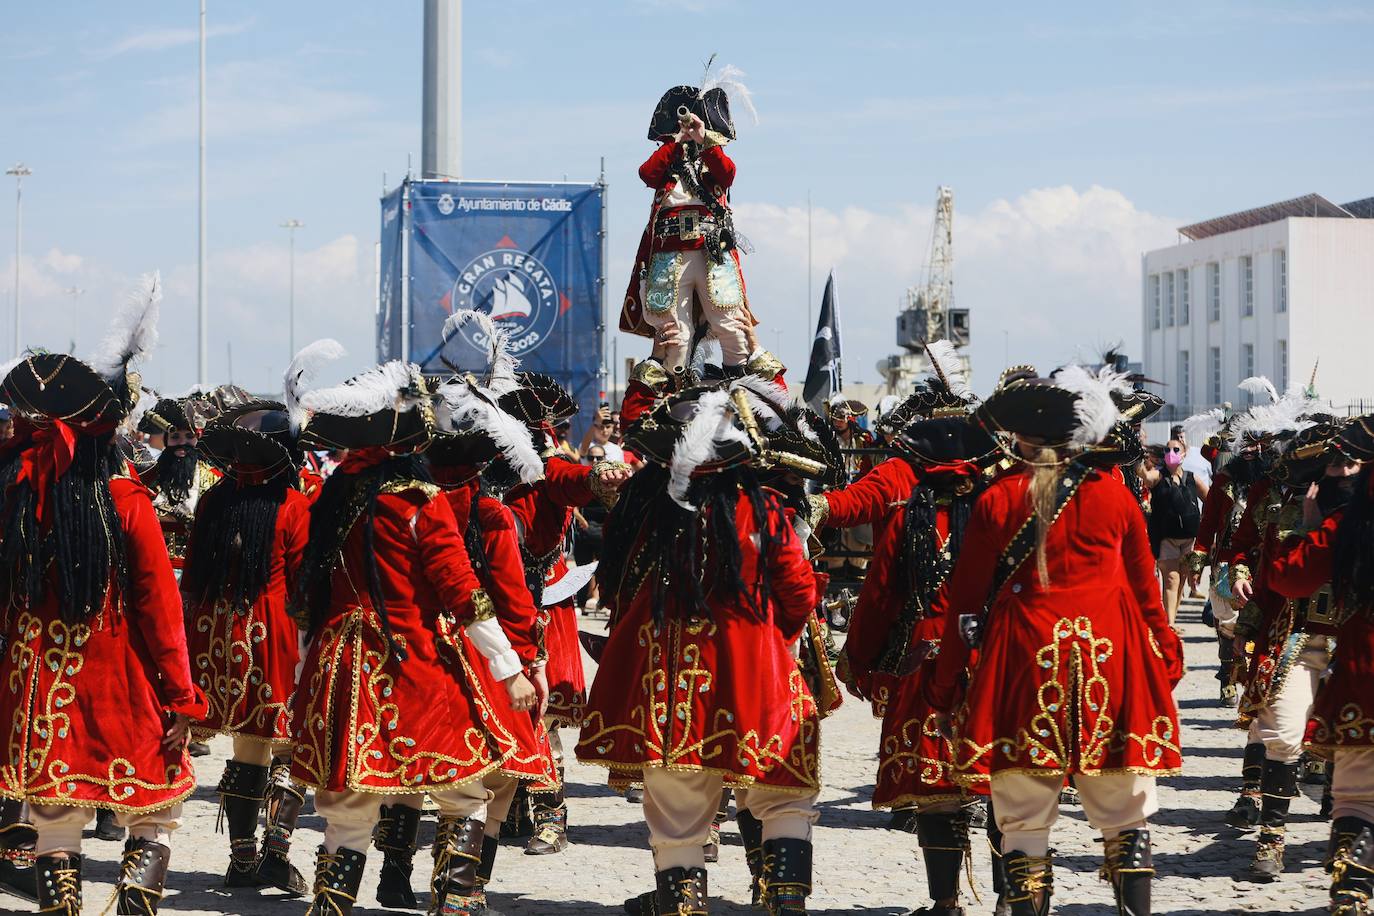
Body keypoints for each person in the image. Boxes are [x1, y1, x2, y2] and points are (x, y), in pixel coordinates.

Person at [287, 360, 544, 916]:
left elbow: (310, 596)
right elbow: (460, 589)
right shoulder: (418, 500)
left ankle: (331, 907)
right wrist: (509, 667)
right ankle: (454, 904)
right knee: (463, 787)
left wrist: (302, 669)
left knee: (348, 804)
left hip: (340, 657)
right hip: (413, 656)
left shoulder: (335, 497)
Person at [927, 367, 1184, 916]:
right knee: (1125, 808)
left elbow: (964, 604)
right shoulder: (1115, 498)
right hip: (1109, 657)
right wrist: (1165, 659)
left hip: (1022, 659)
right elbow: (1147, 595)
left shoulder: (997, 500)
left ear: (1019, 438)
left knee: (1021, 814)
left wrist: (945, 687)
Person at [0, 272, 208, 915]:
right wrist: (180, 693)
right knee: (156, 802)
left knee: (55, 810)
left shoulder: (16, 493)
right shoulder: (125, 501)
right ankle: (134, 900)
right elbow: (157, 605)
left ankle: (61, 906)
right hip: (116, 667)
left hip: (34, 669)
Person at [578, 381, 821, 916]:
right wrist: (777, 643)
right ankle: (785, 904)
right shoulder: (764, 512)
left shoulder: (653, 514)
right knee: (781, 790)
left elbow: (620, 584)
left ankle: (683, 905)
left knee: (677, 809)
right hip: (752, 666)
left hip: (667, 674)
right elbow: (800, 593)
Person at [842, 410, 1002, 916]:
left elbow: (880, 594)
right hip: (997, 658)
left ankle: (946, 903)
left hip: (925, 659)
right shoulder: (1002, 510)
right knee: (1005, 782)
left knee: (937, 790)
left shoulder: (909, 515)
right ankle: (1011, 902)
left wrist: (860, 659)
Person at [180, 365, 324, 896]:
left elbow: (192, 578)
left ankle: (240, 859)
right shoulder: (291, 503)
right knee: (286, 746)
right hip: (275, 633)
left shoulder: (215, 500)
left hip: (218, 633)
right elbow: (305, 582)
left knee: (246, 749)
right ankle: (275, 853)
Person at [1229, 417, 1352, 880]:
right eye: (1333, 461)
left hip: (1354, 640)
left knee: (1351, 743)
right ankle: (1271, 839)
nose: (1342, 469)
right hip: (1295, 636)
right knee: (1281, 733)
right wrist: (1248, 621)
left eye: (1348, 461)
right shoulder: (1280, 507)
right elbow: (1268, 575)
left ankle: (1347, 838)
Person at [1266, 415, 1374, 912]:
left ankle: (1351, 893)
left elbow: (1290, 578)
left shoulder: (1347, 520)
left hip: (1362, 674)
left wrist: (1307, 530)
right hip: (1334, 657)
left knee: (1357, 796)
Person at [619, 71, 756, 384]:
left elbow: (728, 174)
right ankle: (674, 393)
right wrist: (678, 141)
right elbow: (646, 173)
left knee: (729, 322)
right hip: (670, 254)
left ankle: (738, 388)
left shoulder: (714, 156)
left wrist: (702, 138)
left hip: (711, 253)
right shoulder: (667, 158)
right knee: (675, 332)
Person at [1140, 438, 1209, 625]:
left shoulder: (1191, 477)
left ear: (1184, 453)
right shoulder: (1158, 476)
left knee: (1181, 579)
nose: (1171, 453)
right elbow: (1147, 478)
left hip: (1189, 539)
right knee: (1171, 579)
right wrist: (1138, 459)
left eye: (1176, 449)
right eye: (1167, 450)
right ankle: (1168, 624)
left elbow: (1211, 498)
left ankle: (1172, 618)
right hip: (1166, 538)